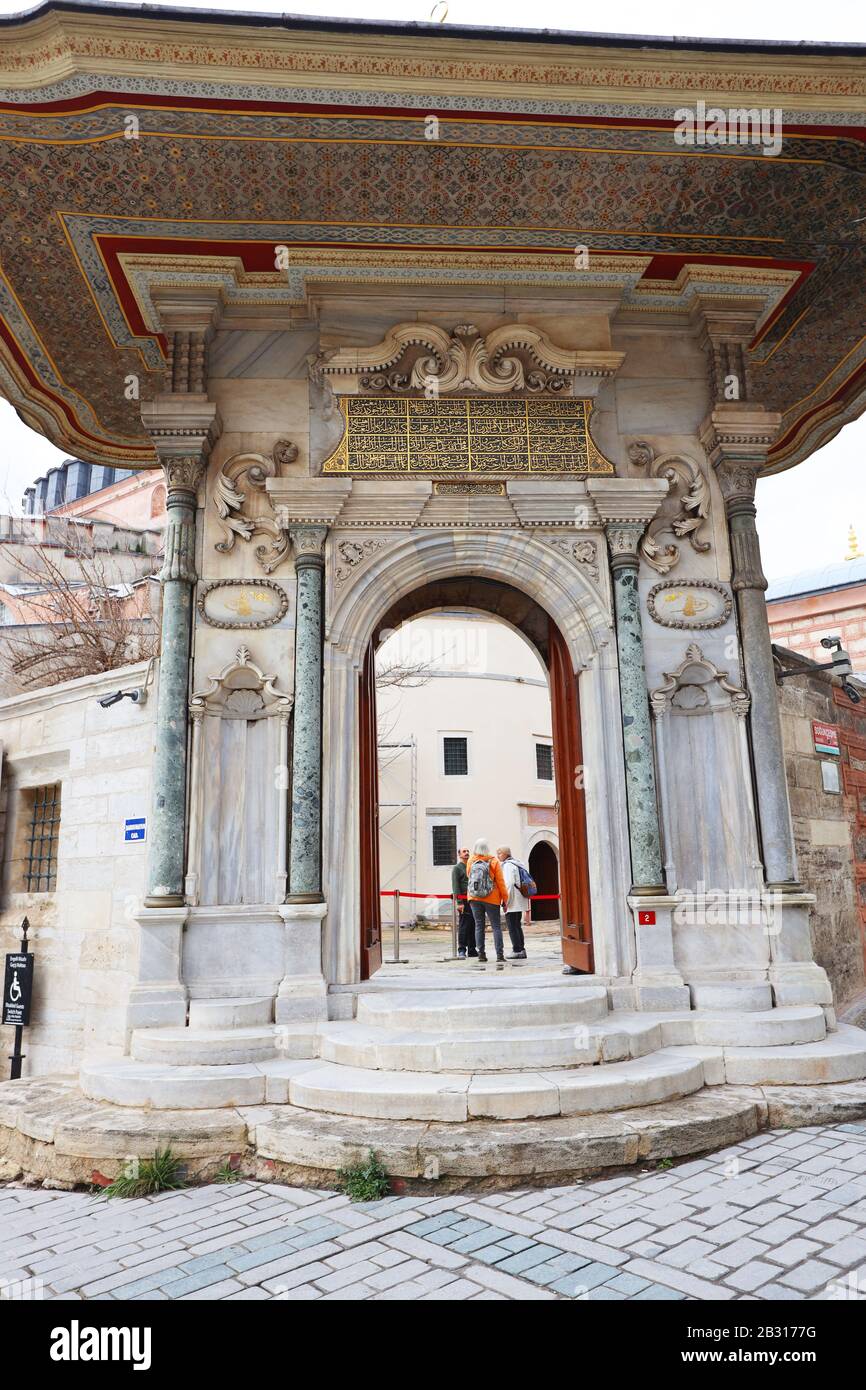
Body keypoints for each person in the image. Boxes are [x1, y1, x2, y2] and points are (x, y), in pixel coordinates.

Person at [466, 837, 508, 965]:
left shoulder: (471, 860)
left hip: (474, 897)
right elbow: (500, 881)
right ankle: (499, 955)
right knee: (496, 926)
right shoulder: (494, 860)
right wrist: (505, 899)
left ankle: (481, 954)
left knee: (479, 926)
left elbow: (470, 877)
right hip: (492, 897)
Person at [497, 845, 528, 960]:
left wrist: (506, 901)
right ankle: (522, 949)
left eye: (499, 853)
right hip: (519, 900)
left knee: (512, 926)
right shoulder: (517, 863)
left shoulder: (508, 866)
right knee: (517, 925)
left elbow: (509, 884)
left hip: (512, 900)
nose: (498, 856)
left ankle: (517, 950)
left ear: (506, 854)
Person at [451, 847, 477, 959]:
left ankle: (472, 949)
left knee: (473, 924)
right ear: (459, 855)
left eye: (467, 851)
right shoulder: (457, 868)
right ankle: (462, 949)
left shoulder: (471, 866)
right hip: (463, 900)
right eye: (464, 852)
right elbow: (455, 885)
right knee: (464, 925)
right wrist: (459, 902)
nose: (466, 853)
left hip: (473, 899)